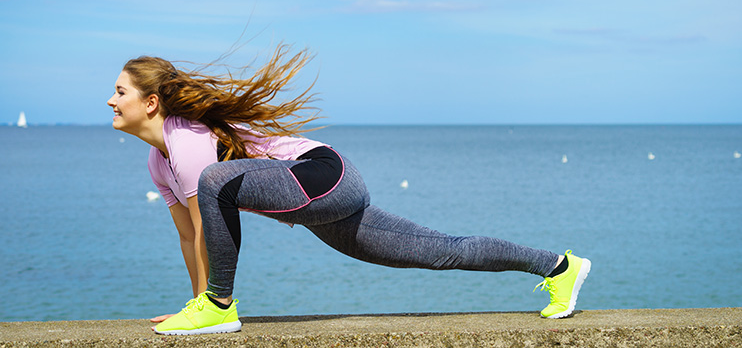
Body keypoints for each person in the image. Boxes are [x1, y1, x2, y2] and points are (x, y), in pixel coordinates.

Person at [108, 46, 591, 336]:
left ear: (151, 103)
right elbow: (190, 237)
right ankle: (559, 267)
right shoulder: (158, 162)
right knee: (441, 251)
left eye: (121, 91)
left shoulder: (187, 142)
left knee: (215, 181)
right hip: (314, 205)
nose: (111, 100)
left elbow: (205, 220)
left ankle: (219, 306)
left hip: (323, 174)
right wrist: (193, 306)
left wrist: (211, 305)